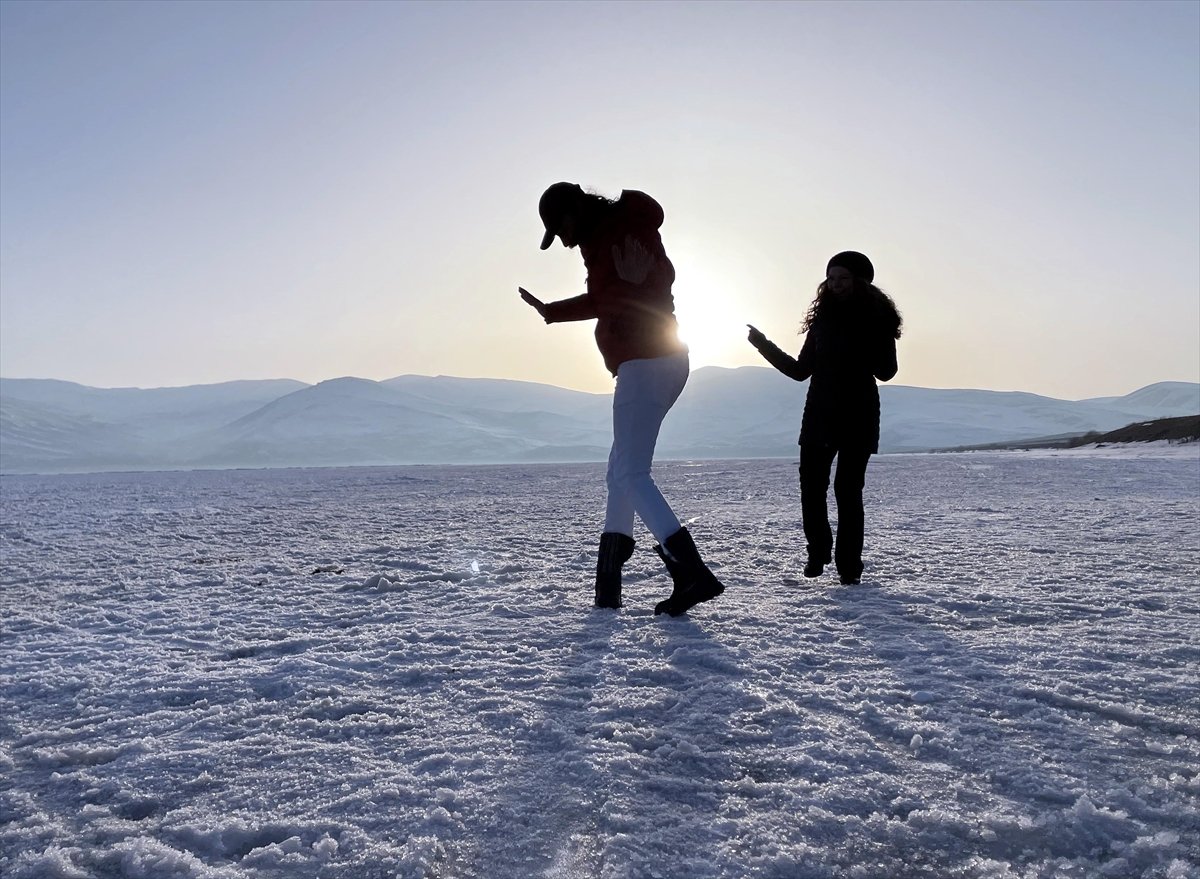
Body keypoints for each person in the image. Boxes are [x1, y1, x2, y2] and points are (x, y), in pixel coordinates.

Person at [519, 182, 723, 616]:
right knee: (619, 470)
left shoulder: (608, 235)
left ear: (577, 210)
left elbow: (612, 296)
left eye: (561, 228)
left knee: (631, 473)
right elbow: (640, 287)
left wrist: (554, 311)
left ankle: (692, 573)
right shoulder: (626, 228)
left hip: (644, 362)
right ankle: (609, 576)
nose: (565, 240)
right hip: (659, 359)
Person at [747, 251, 902, 585]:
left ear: (860, 282)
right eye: (831, 279)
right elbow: (800, 371)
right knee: (811, 489)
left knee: (848, 492)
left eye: (843, 278)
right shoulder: (822, 321)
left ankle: (849, 568)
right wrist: (763, 345)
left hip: (859, 415)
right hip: (819, 414)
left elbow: (887, 371)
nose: (835, 285)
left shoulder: (876, 318)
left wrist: (872, 335)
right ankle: (818, 551)